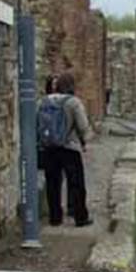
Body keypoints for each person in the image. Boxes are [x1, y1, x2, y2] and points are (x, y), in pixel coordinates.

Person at [39, 71, 93, 227]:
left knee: (53, 183)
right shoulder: (73, 102)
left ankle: (55, 218)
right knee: (76, 184)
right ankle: (79, 217)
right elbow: (83, 126)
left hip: (50, 147)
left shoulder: (44, 101)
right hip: (70, 147)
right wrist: (85, 141)